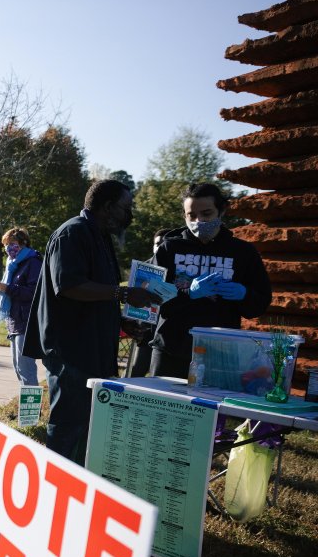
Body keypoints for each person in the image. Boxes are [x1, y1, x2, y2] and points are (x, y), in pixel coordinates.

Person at [23, 179, 160, 465]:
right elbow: (69, 286)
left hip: (94, 351)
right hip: (71, 353)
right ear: (107, 207)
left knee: (90, 428)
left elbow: (96, 297)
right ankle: (56, 490)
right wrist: (122, 292)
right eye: (126, 208)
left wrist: (122, 322)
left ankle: (79, 492)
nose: (129, 215)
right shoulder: (72, 233)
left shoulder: (99, 236)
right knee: (68, 428)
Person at [150, 183, 272, 378]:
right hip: (171, 349)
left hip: (220, 353)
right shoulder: (169, 249)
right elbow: (151, 298)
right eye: (191, 215)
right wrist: (188, 292)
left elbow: (260, 303)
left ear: (221, 211)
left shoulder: (242, 252)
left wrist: (244, 294)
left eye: (206, 214)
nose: (199, 221)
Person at [0, 227, 43, 386]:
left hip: (26, 322)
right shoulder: (13, 263)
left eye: (12, 243)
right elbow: (11, 289)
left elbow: (34, 292)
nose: (8, 247)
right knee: (19, 369)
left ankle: (32, 411)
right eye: (6, 244)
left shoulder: (33, 261)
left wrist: (6, 288)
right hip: (14, 322)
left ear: (23, 242)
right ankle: (27, 409)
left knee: (26, 370)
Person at [126, 228, 172, 378]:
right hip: (145, 330)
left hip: (166, 333)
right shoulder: (142, 269)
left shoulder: (177, 271)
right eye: (157, 243)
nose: (160, 246)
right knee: (136, 371)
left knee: (158, 376)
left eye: (165, 243)